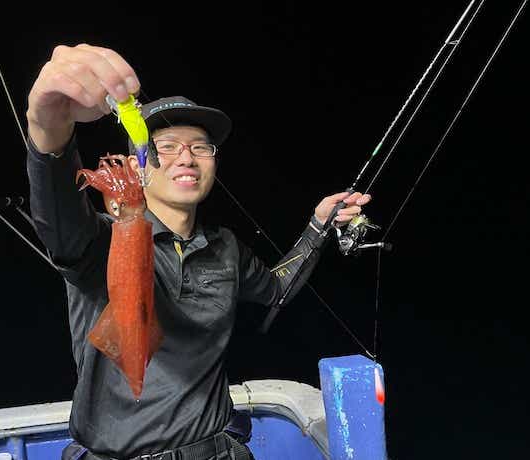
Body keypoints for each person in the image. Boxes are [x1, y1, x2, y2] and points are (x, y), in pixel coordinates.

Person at [25, 44, 371, 460]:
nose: (186, 156)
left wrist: (317, 226)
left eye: (200, 147)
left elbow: (275, 288)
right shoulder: (96, 241)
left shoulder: (225, 247)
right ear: (139, 166)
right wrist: (48, 129)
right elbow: (56, 216)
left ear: (213, 164)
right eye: (166, 146)